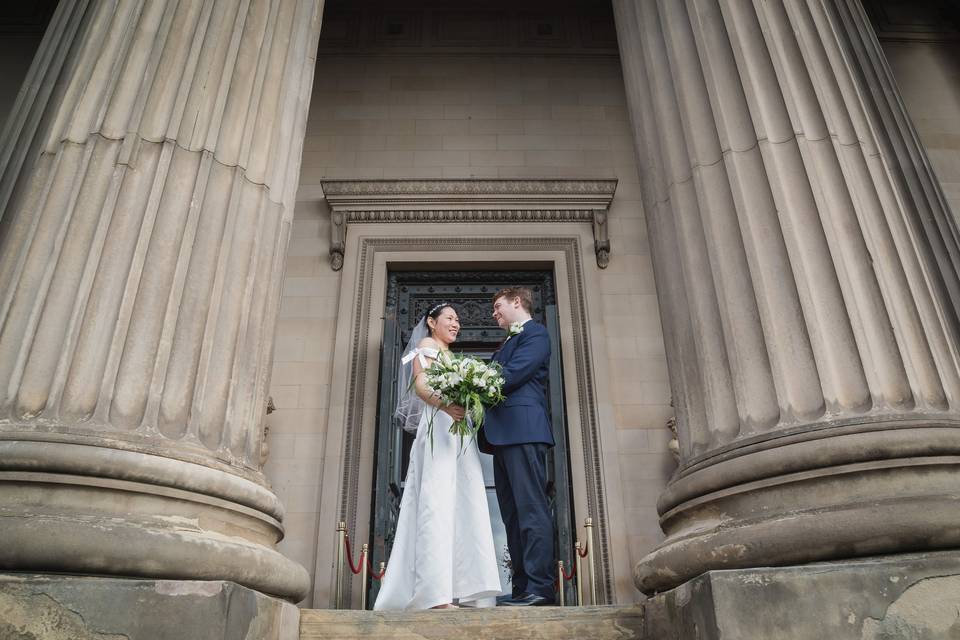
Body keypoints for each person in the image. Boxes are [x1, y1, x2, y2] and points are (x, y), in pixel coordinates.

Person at [373, 302, 502, 610]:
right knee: (437, 502)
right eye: (449, 318)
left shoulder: (452, 356)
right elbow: (420, 384)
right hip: (438, 429)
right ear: (431, 322)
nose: (456, 323)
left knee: (462, 502)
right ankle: (433, 595)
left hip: (459, 432)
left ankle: (463, 590)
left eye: (458, 319)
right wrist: (446, 407)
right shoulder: (425, 345)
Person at [480, 287, 556, 606]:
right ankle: (523, 587)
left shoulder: (536, 334)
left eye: (498, 306)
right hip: (502, 437)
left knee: (531, 510)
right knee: (512, 516)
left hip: (524, 431)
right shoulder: (506, 343)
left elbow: (515, 373)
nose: (494, 313)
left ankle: (541, 588)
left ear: (516, 302)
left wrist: (476, 382)